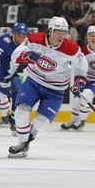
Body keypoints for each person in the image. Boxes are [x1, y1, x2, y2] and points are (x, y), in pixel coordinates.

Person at [8, 16, 88, 158]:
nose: (62, 36)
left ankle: (31, 134)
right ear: (50, 31)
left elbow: (81, 64)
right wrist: (26, 56)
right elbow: (16, 55)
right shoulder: (34, 39)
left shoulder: (71, 48)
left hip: (56, 89)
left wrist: (80, 79)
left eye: (64, 32)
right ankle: (22, 143)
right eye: (58, 32)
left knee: (42, 123)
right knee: (21, 112)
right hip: (34, 81)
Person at [61, 25, 95, 131]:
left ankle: (81, 121)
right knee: (77, 99)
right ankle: (74, 120)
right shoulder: (83, 51)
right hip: (88, 79)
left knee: (86, 94)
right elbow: (81, 69)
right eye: (91, 36)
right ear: (87, 37)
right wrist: (78, 81)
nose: (93, 38)